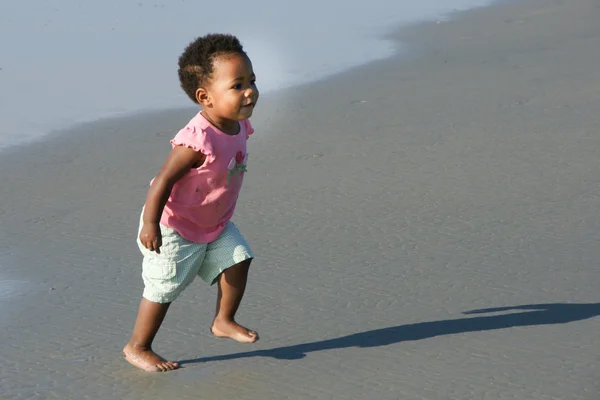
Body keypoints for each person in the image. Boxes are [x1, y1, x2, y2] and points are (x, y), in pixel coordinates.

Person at [123, 33, 259, 372]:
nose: (250, 91)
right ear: (205, 97)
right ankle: (138, 346)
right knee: (165, 286)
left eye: (252, 81)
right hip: (174, 226)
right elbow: (163, 180)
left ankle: (223, 321)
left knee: (239, 259)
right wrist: (151, 224)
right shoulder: (196, 140)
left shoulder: (239, 124)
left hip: (213, 222)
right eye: (237, 85)